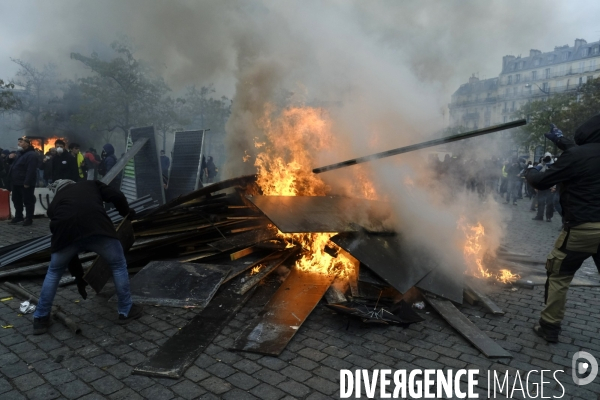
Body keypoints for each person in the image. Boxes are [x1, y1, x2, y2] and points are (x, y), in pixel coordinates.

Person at [32, 179, 143, 335]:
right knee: (117, 264)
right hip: (96, 227)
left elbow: (70, 244)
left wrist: (78, 276)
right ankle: (126, 310)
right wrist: (126, 213)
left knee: (54, 272)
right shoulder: (90, 184)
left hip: (65, 235)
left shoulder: (54, 204)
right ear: (72, 183)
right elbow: (117, 195)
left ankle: (40, 319)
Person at [525, 116, 600, 343]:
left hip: (583, 227)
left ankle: (549, 326)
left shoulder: (576, 156)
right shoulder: (581, 153)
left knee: (558, 274)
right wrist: (560, 139)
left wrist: (530, 171)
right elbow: (586, 153)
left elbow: (541, 181)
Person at [8, 137, 39, 226]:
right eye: (18, 142)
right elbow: (11, 164)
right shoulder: (19, 153)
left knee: (28, 200)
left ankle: (29, 218)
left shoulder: (31, 155)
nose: (19, 144)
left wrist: (27, 182)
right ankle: (19, 216)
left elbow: (31, 170)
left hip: (25, 183)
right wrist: (10, 158)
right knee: (16, 200)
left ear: (27, 143)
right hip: (16, 182)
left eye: (21, 142)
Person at [532, 153, 555, 222]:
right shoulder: (541, 165)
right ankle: (540, 215)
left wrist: (554, 187)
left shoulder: (554, 166)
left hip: (550, 187)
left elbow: (556, 177)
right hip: (542, 186)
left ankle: (549, 217)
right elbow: (536, 175)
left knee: (549, 203)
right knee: (540, 202)